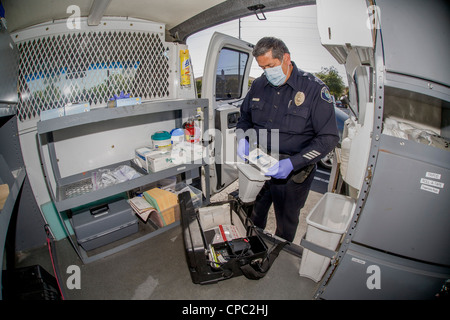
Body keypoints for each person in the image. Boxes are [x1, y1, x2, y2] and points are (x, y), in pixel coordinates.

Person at [236, 37, 339, 242]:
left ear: (286, 58)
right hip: (261, 164)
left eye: (270, 66)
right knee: (254, 211)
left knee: (286, 221)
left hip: (295, 170)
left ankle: (279, 253)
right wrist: (242, 138)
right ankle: (254, 244)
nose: (267, 72)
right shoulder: (258, 85)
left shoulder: (313, 89)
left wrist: (293, 163)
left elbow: (329, 138)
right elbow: (244, 118)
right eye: (262, 67)